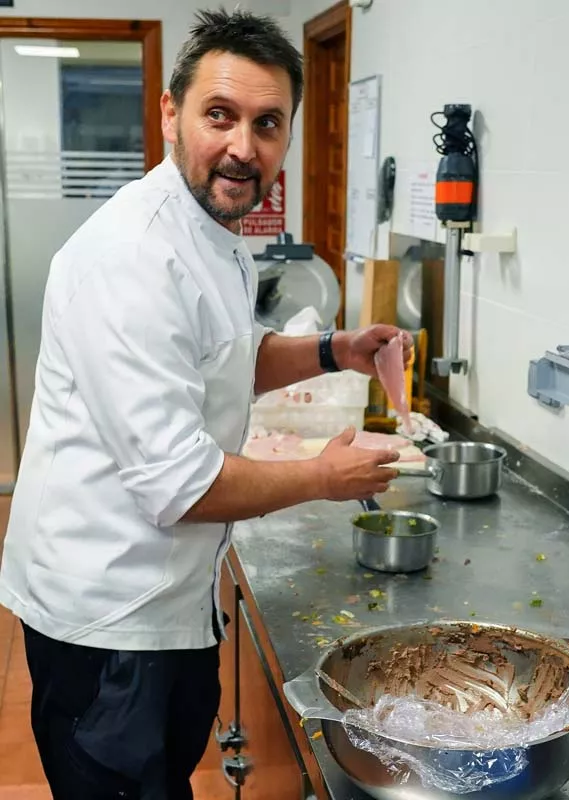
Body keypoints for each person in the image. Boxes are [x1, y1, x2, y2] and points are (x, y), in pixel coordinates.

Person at [0, 9, 412, 800]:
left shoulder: (213, 229)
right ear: (169, 114)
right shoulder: (131, 259)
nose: (242, 146)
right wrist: (323, 478)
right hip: (107, 619)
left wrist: (336, 348)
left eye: (267, 123)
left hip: (169, 602)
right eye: (218, 115)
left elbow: (228, 358)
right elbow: (178, 485)